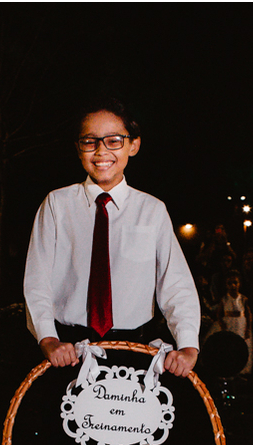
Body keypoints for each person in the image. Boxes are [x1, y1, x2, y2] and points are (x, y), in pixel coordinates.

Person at [23, 98, 200, 377]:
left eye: (114, 141)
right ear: (78, 148)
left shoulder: (152, 210)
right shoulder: (57, 204)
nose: (101, 151)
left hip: (134, 352)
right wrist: (48, 338)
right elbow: (37, 280)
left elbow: (176, 283)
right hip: (68, 353)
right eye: (89, 141)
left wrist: (188, 344)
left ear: (134, 145)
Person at [214, 271, 253, 375]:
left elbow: (248, 314)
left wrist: (248, 328)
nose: (233, 286)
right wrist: (221, 324)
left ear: (239, 284)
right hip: (228, 324)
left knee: (241, 346)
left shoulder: (243, 299)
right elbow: (219, 313)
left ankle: (241, 370)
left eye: (235, 283)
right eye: (229, 283)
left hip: (240, 324)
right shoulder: (224, 299)